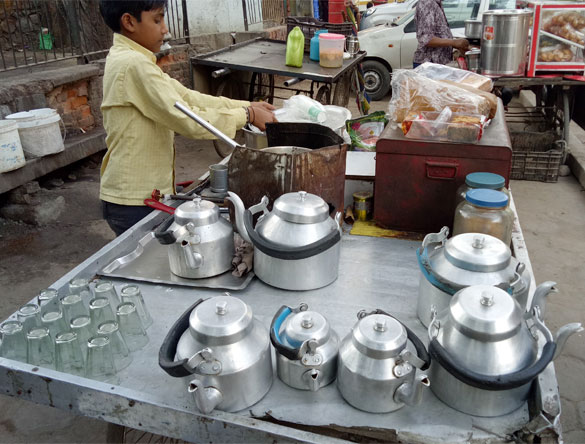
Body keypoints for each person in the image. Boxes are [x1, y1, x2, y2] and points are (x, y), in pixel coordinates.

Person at [98, 0, 276, 236]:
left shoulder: (135, 59)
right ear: (129, 22)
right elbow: (188, 119)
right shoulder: (133, 65)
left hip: (139, 196)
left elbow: (188, 98)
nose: (165, 29)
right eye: (157, 20)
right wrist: (247, 115)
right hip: (133, 202)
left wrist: (248, 105)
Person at [413, 0, 469, 68]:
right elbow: (426, 39)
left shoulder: (436, 4)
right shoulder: (427, 3)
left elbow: (439, 34)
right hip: (428, 65)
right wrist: (453, 42)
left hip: (437, 65)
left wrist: (457, 45)